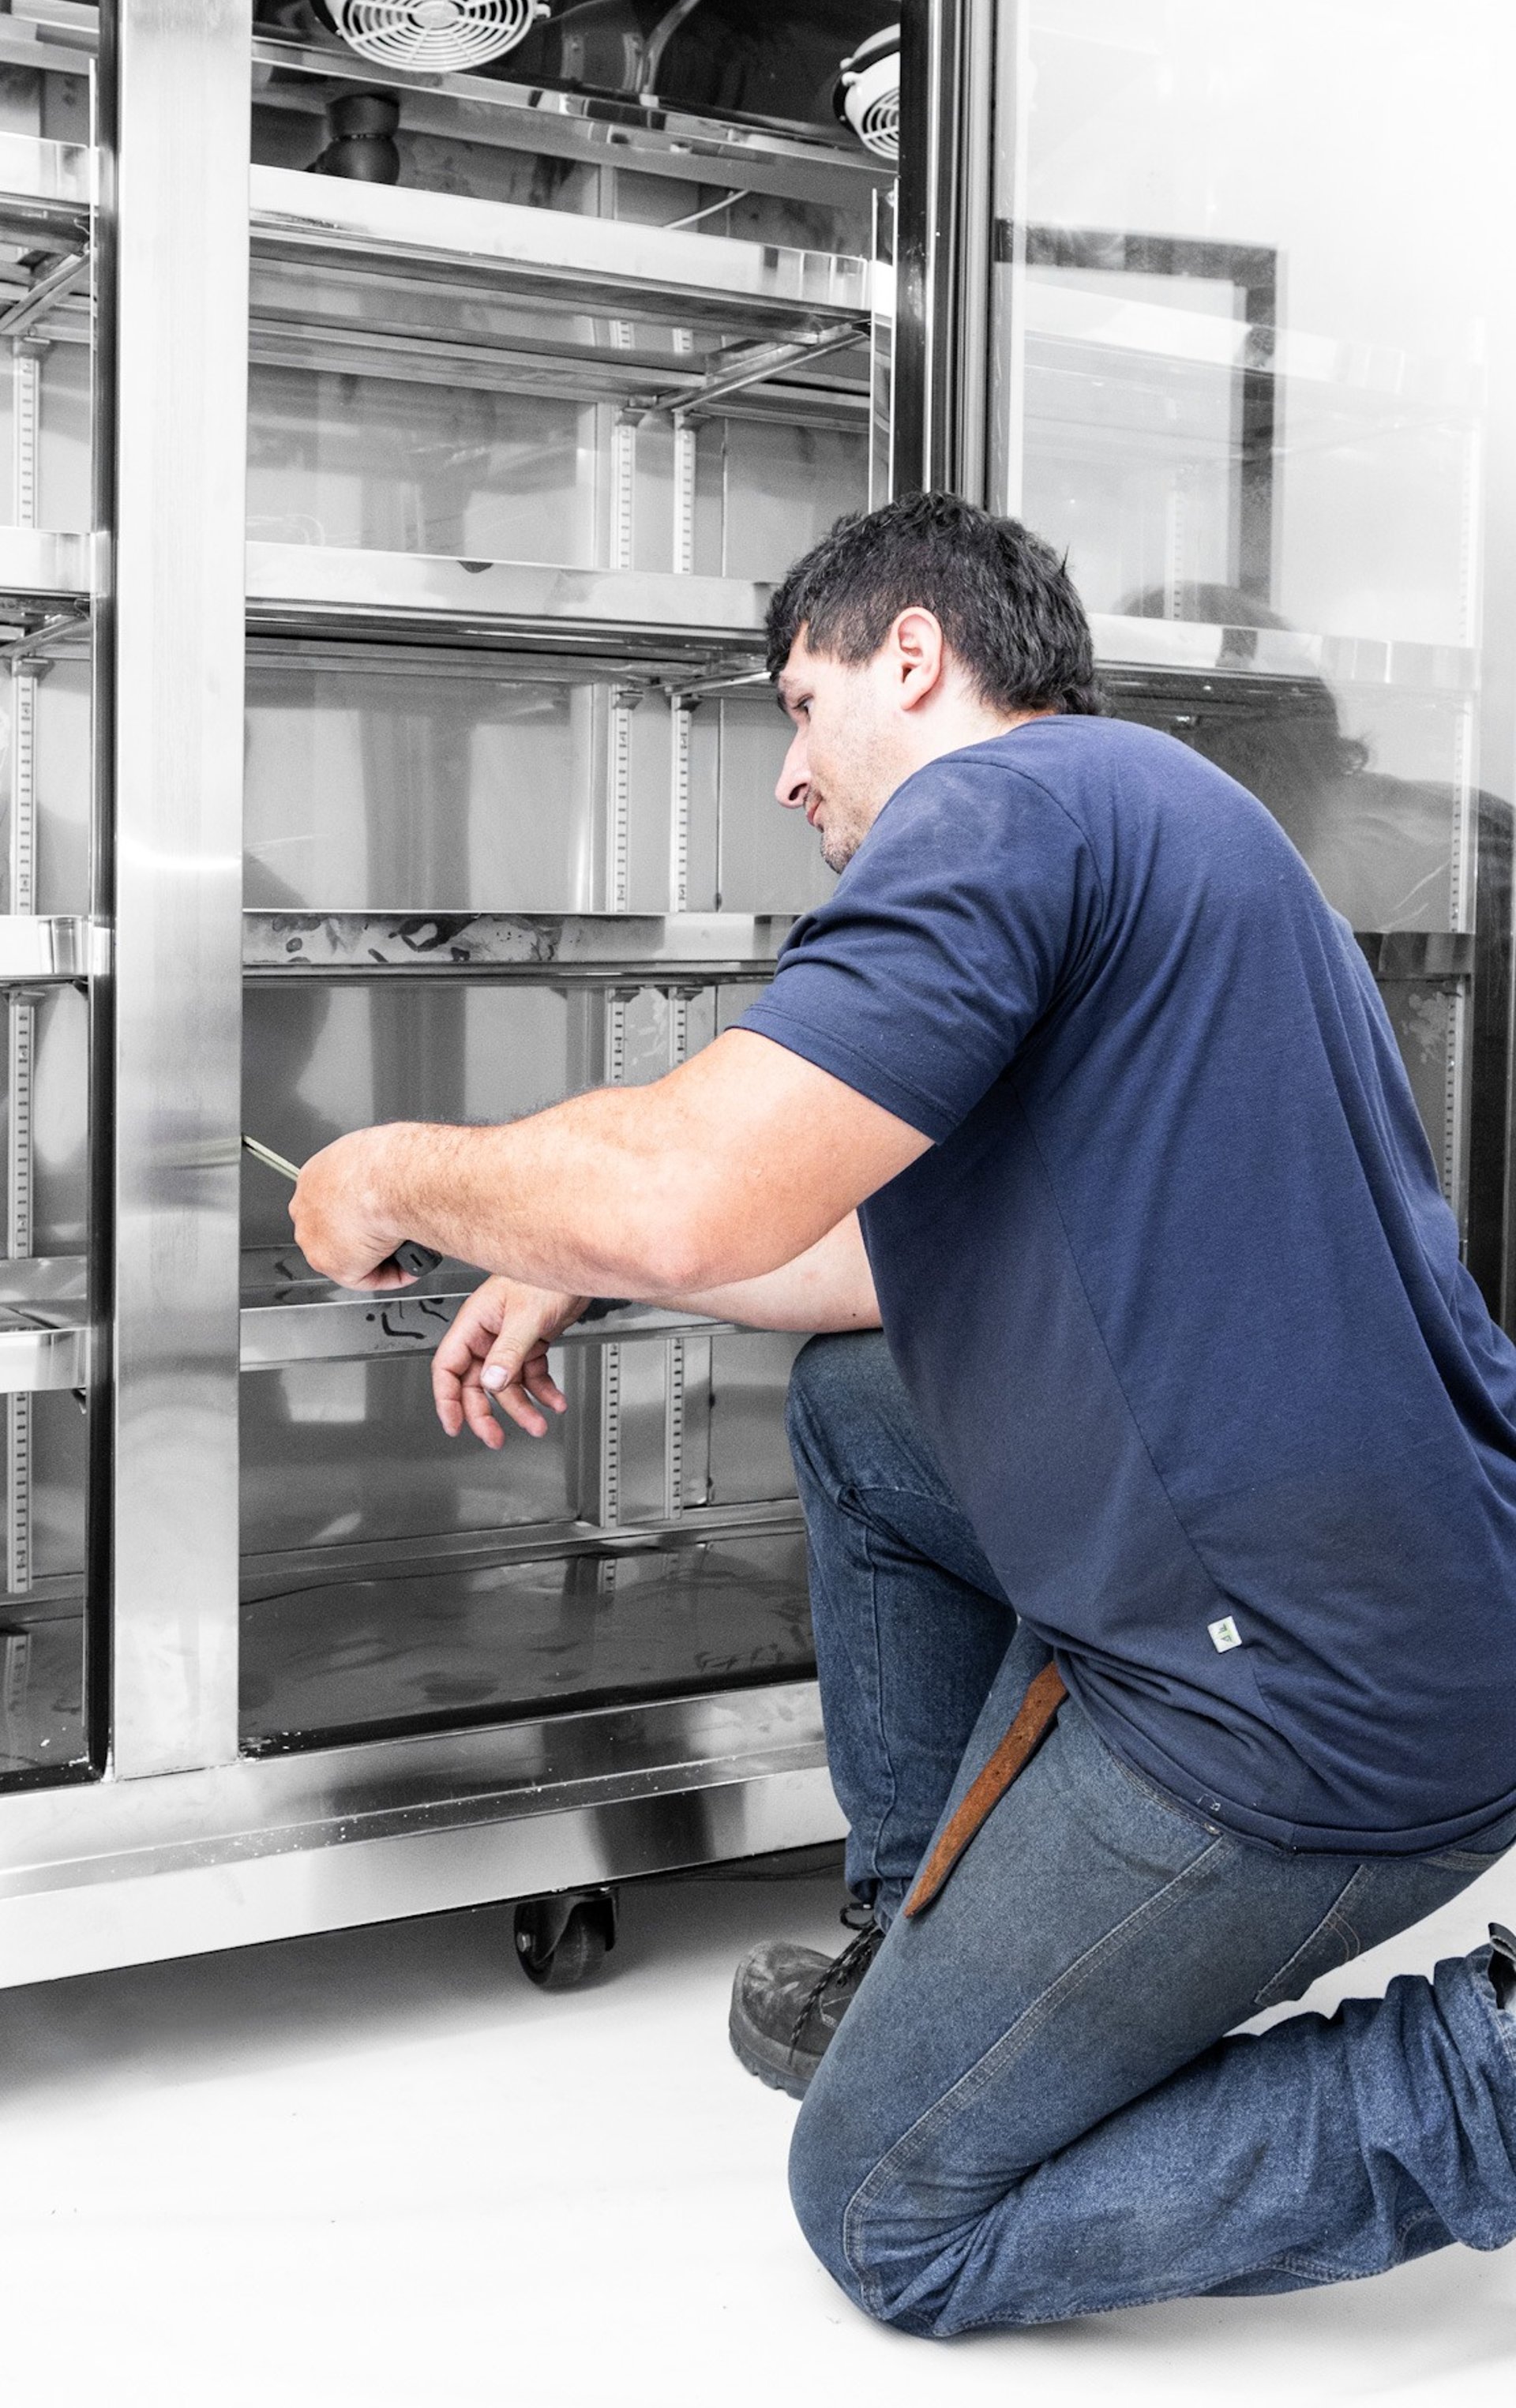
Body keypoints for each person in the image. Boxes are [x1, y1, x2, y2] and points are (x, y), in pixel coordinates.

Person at [291, 493, 1516, 2335]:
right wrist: (578, 1259)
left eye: (804, 702)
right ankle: (913, 1957)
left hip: (1302, 1697)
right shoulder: (1151, 815)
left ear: (920, 656)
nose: (791, 769)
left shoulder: (997, 809)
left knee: (886, 2211)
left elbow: (702, 1185)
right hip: (1425, 1595)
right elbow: (856, 1253)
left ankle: (1490, 2081)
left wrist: (384, 1171)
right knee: (867, 1413)